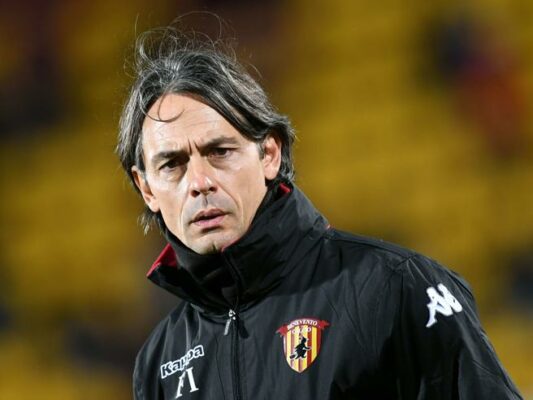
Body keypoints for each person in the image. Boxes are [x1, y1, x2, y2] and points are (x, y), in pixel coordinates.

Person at [117, 25, 523, 400]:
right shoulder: (158, 363)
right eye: (172, 164)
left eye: (219, 152)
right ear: (146, 188)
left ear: (269, 154)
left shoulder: (398, 288)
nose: (199, 182)